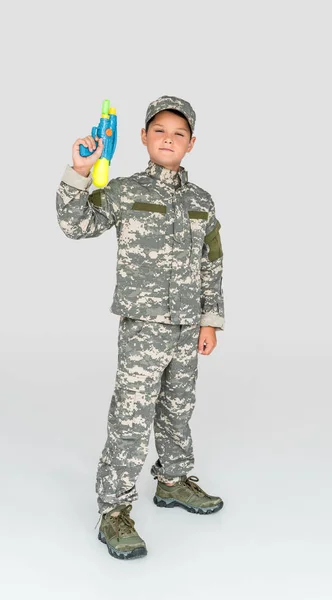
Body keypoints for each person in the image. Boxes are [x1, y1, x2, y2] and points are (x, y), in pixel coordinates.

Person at [55, 95, 225, 561]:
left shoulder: (201, 201)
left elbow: (213, 263)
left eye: (179, 133)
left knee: (178, 408)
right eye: (159, 131)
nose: (168, 139)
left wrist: (211, 321)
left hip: (188, 327)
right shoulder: (125, 190)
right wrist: (80, 172)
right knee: (132, 416)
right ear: (144, 138)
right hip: (143, 328)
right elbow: (76, 223)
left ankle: (173, 482)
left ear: (191, 144)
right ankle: (113, 511)